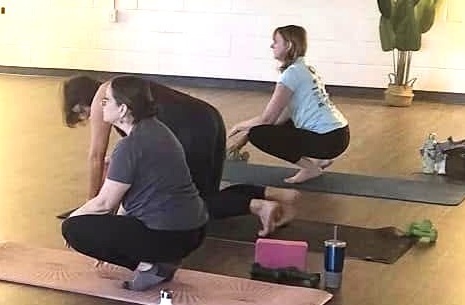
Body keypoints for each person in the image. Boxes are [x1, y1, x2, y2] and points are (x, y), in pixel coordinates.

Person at [62, 75, 294, 236]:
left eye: (82, 111)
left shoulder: (103, 97)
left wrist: (91, 207)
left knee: (190, 205)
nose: (88, 116)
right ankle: (270, 193)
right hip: (208, 117)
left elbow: (96, 156)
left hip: (190, 131)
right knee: (206, 194)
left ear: (86, 98)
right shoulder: (124, 91)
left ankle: (258, 206)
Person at [61, 76, 208, 291]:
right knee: (101, 224)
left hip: (168, 235)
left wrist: (73, 218)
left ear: (122, 110)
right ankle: (162, 262)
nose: (101, 105)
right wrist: (112, 237)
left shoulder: (129, 147)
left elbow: (104, 204)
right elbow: (126, 199)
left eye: (106, 101)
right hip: (195, 231)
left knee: (73, 229)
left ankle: (151, 267)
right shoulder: (157, 129)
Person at [226, 25, 349, 184]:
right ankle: (322, 159)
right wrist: (243, 140)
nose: (272, 46)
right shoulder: (304, 68)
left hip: (328, 140)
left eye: (276, 41)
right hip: (339, 135)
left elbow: (267, 119)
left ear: (289, 45)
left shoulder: (291, 74)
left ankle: (310, 168)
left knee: (259, 135)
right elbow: (282, 117)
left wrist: (239, 126)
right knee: (272, 128)